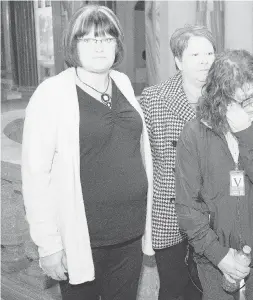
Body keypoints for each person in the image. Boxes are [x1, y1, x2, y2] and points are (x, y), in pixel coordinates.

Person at [22, 5, 154, 300]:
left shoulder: (122, 82)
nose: (99, 47)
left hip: (130, 234)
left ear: (117, 46)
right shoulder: (52, 94)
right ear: (73, 44)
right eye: (89, 39)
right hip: (83, 240)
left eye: (107, 39)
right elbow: (35, 175)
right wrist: (49, 245)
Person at [175, 49, 253, 300]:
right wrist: (218, 255)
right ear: (221, 99)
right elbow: (187, 207)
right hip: (213, 254)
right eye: (245, 100)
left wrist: (247, 135)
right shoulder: (194, 134)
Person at [139, 25, 215, 300]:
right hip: (169, 216)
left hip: (212, 217)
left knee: (206, 291)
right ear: (179, 60)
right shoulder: (153, 99)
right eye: (196, 54)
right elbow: (143, 163)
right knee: (172, 291)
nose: (205, 60)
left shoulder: (225, 99)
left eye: (209, 52)